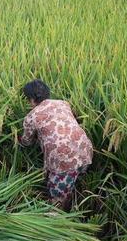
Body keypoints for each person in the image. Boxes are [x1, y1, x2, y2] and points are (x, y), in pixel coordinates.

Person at [18, 79, 93, 211]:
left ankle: (59, 220)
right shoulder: (63, 103)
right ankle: (74, 199)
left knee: (57, 200)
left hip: (63, 161)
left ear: (30, 99)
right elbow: (74, 119)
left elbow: (27, 141)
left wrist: (18, 140)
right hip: (84, 149)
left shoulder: (31, 116)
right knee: (74, 177)